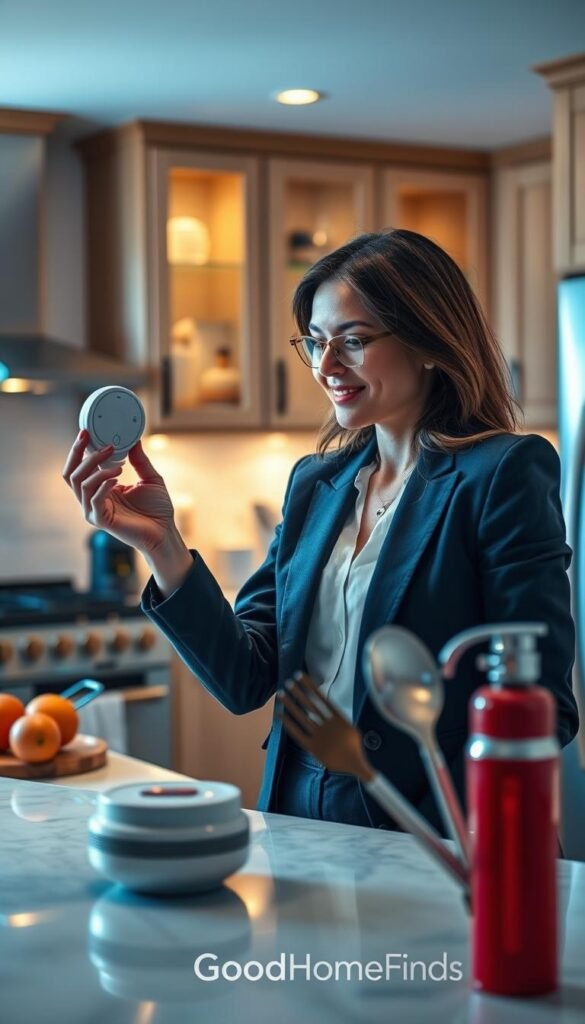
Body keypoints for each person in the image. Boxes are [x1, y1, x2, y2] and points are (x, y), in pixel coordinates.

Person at [63, 229, 579, 836]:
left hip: (432, 828)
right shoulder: (317, 484)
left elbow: (542, 705)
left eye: (352, 342)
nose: (326, 366)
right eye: (314, 342)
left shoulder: (501, 474)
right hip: (294, 810)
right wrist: (161, 544)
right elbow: (245, 676)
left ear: (429, 341)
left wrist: (386, 771)